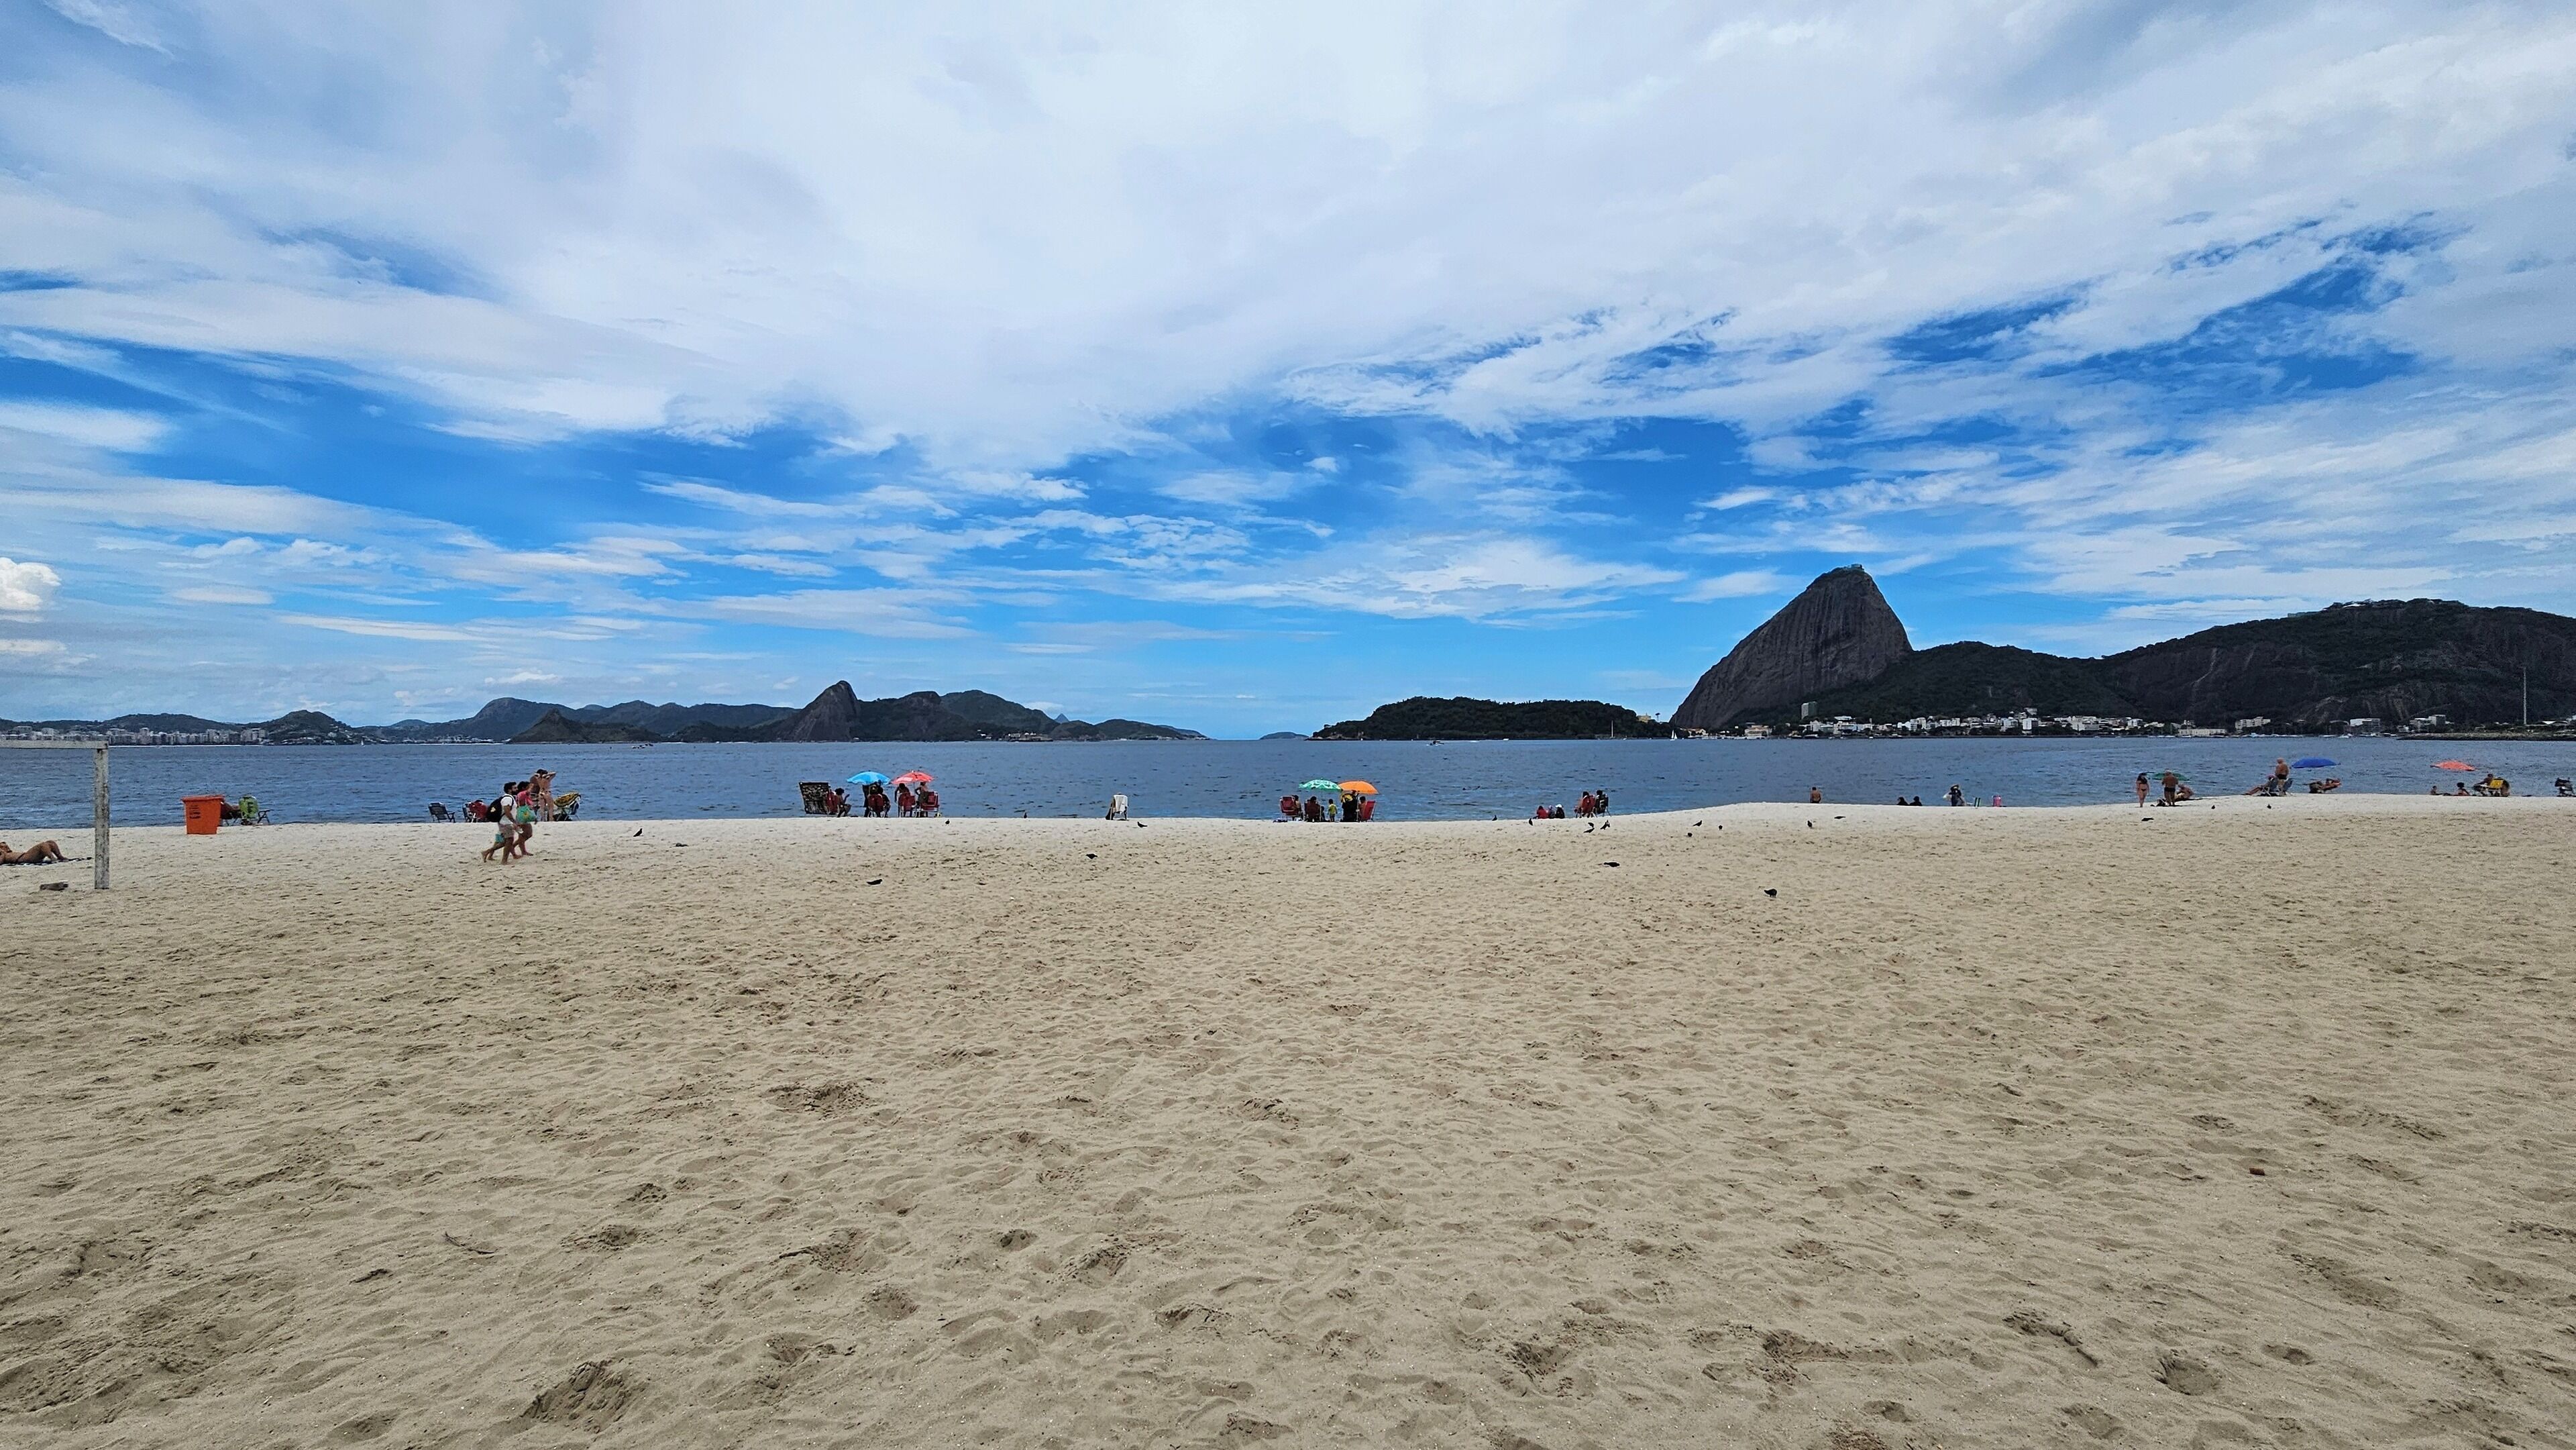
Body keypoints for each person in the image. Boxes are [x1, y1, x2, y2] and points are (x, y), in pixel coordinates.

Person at [0, 839, 67, 866]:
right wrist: (2, 853)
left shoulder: (10, 853)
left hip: (26, 855)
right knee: (42, 845)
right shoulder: (4, 855)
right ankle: (52, 858)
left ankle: (60, 857)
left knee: (50, 843)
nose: (6, 846)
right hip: (23, 858)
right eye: (2, 846)